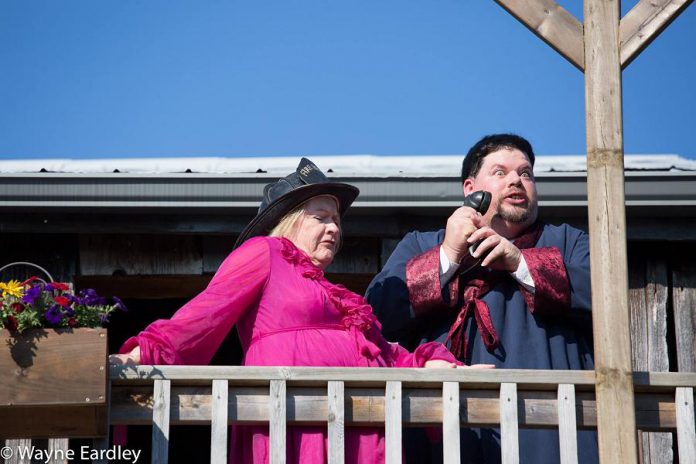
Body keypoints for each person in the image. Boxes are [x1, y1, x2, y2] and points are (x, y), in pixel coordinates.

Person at [110, 158, 490, 464]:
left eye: (337, 220)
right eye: (321, 216)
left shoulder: (343, 300)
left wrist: (433, 367)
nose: (334, 228)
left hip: (359, 432)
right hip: (289, 424)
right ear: (288, 221)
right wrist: (140, 355)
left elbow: (384, 353)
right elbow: (204, 316)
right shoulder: (265, 253)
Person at [365, 134, 596, 464]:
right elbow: (375, 317)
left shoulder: (568, 242)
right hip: (443, 437)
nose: (517, 179)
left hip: (552, 439)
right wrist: (448, 256)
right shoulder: (421, 246)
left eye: (526, 173)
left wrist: (519, 262)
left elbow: (607, 301)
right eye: (501, 172)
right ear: (471, 188)